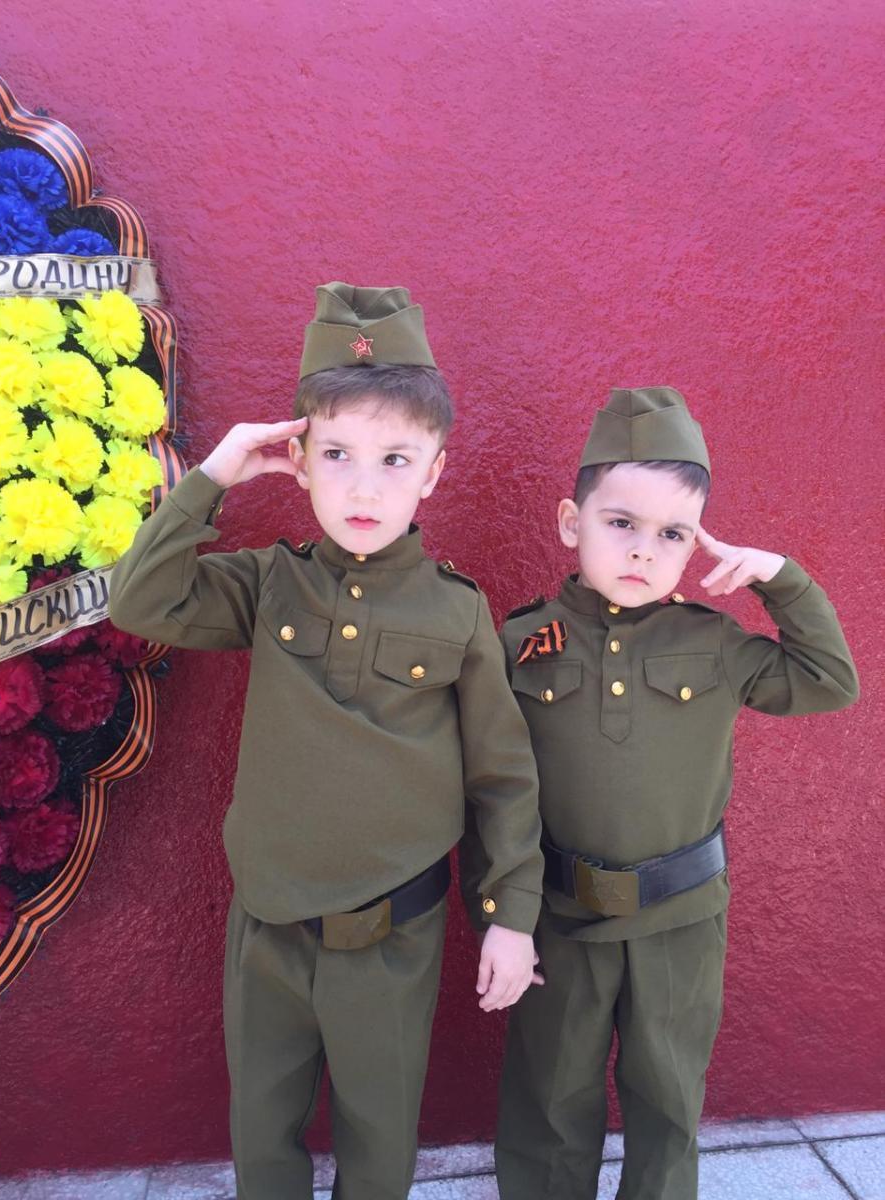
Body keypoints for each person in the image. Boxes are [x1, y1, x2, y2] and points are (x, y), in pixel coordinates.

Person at [110, 282, 544, 1200]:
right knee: (262, 1134)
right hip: (267, 925)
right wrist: (213, 476)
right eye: (336, 454)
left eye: (395, 459)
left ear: (433, 473)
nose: (363, 486)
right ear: (298, 461)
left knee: (379, 1142)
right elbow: (141, 601)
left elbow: (502, 776)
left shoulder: (457, 611)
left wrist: (510, 916)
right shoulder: (270, 584)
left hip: (393, 935)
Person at [467, 386, 859, 1200]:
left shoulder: (715, 643)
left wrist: (778, 578)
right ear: (571, 523)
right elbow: (485, 790)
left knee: (668, 1103)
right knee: (548, 1105)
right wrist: (502, 915)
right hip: (560, 920)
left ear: (694, 543)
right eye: (621, 523)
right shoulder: (519, 643)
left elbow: (830, 681)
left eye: (672, 534)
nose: (644, 551)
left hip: (680, 922)